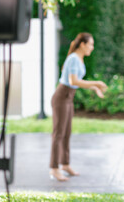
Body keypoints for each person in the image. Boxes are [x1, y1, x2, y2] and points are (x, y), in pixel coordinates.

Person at [50, 32, 107, 181]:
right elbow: (73, 81)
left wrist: (95, 88)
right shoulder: (74, 58)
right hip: (62, 97)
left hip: (69, 97)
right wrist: (96, 83)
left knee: (66, 132)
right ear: (82, 44)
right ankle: (54, 168)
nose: (92, 48)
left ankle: (65, 164)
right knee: (58, 134)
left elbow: (78, 82)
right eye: (90, 44)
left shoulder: (78, 58)